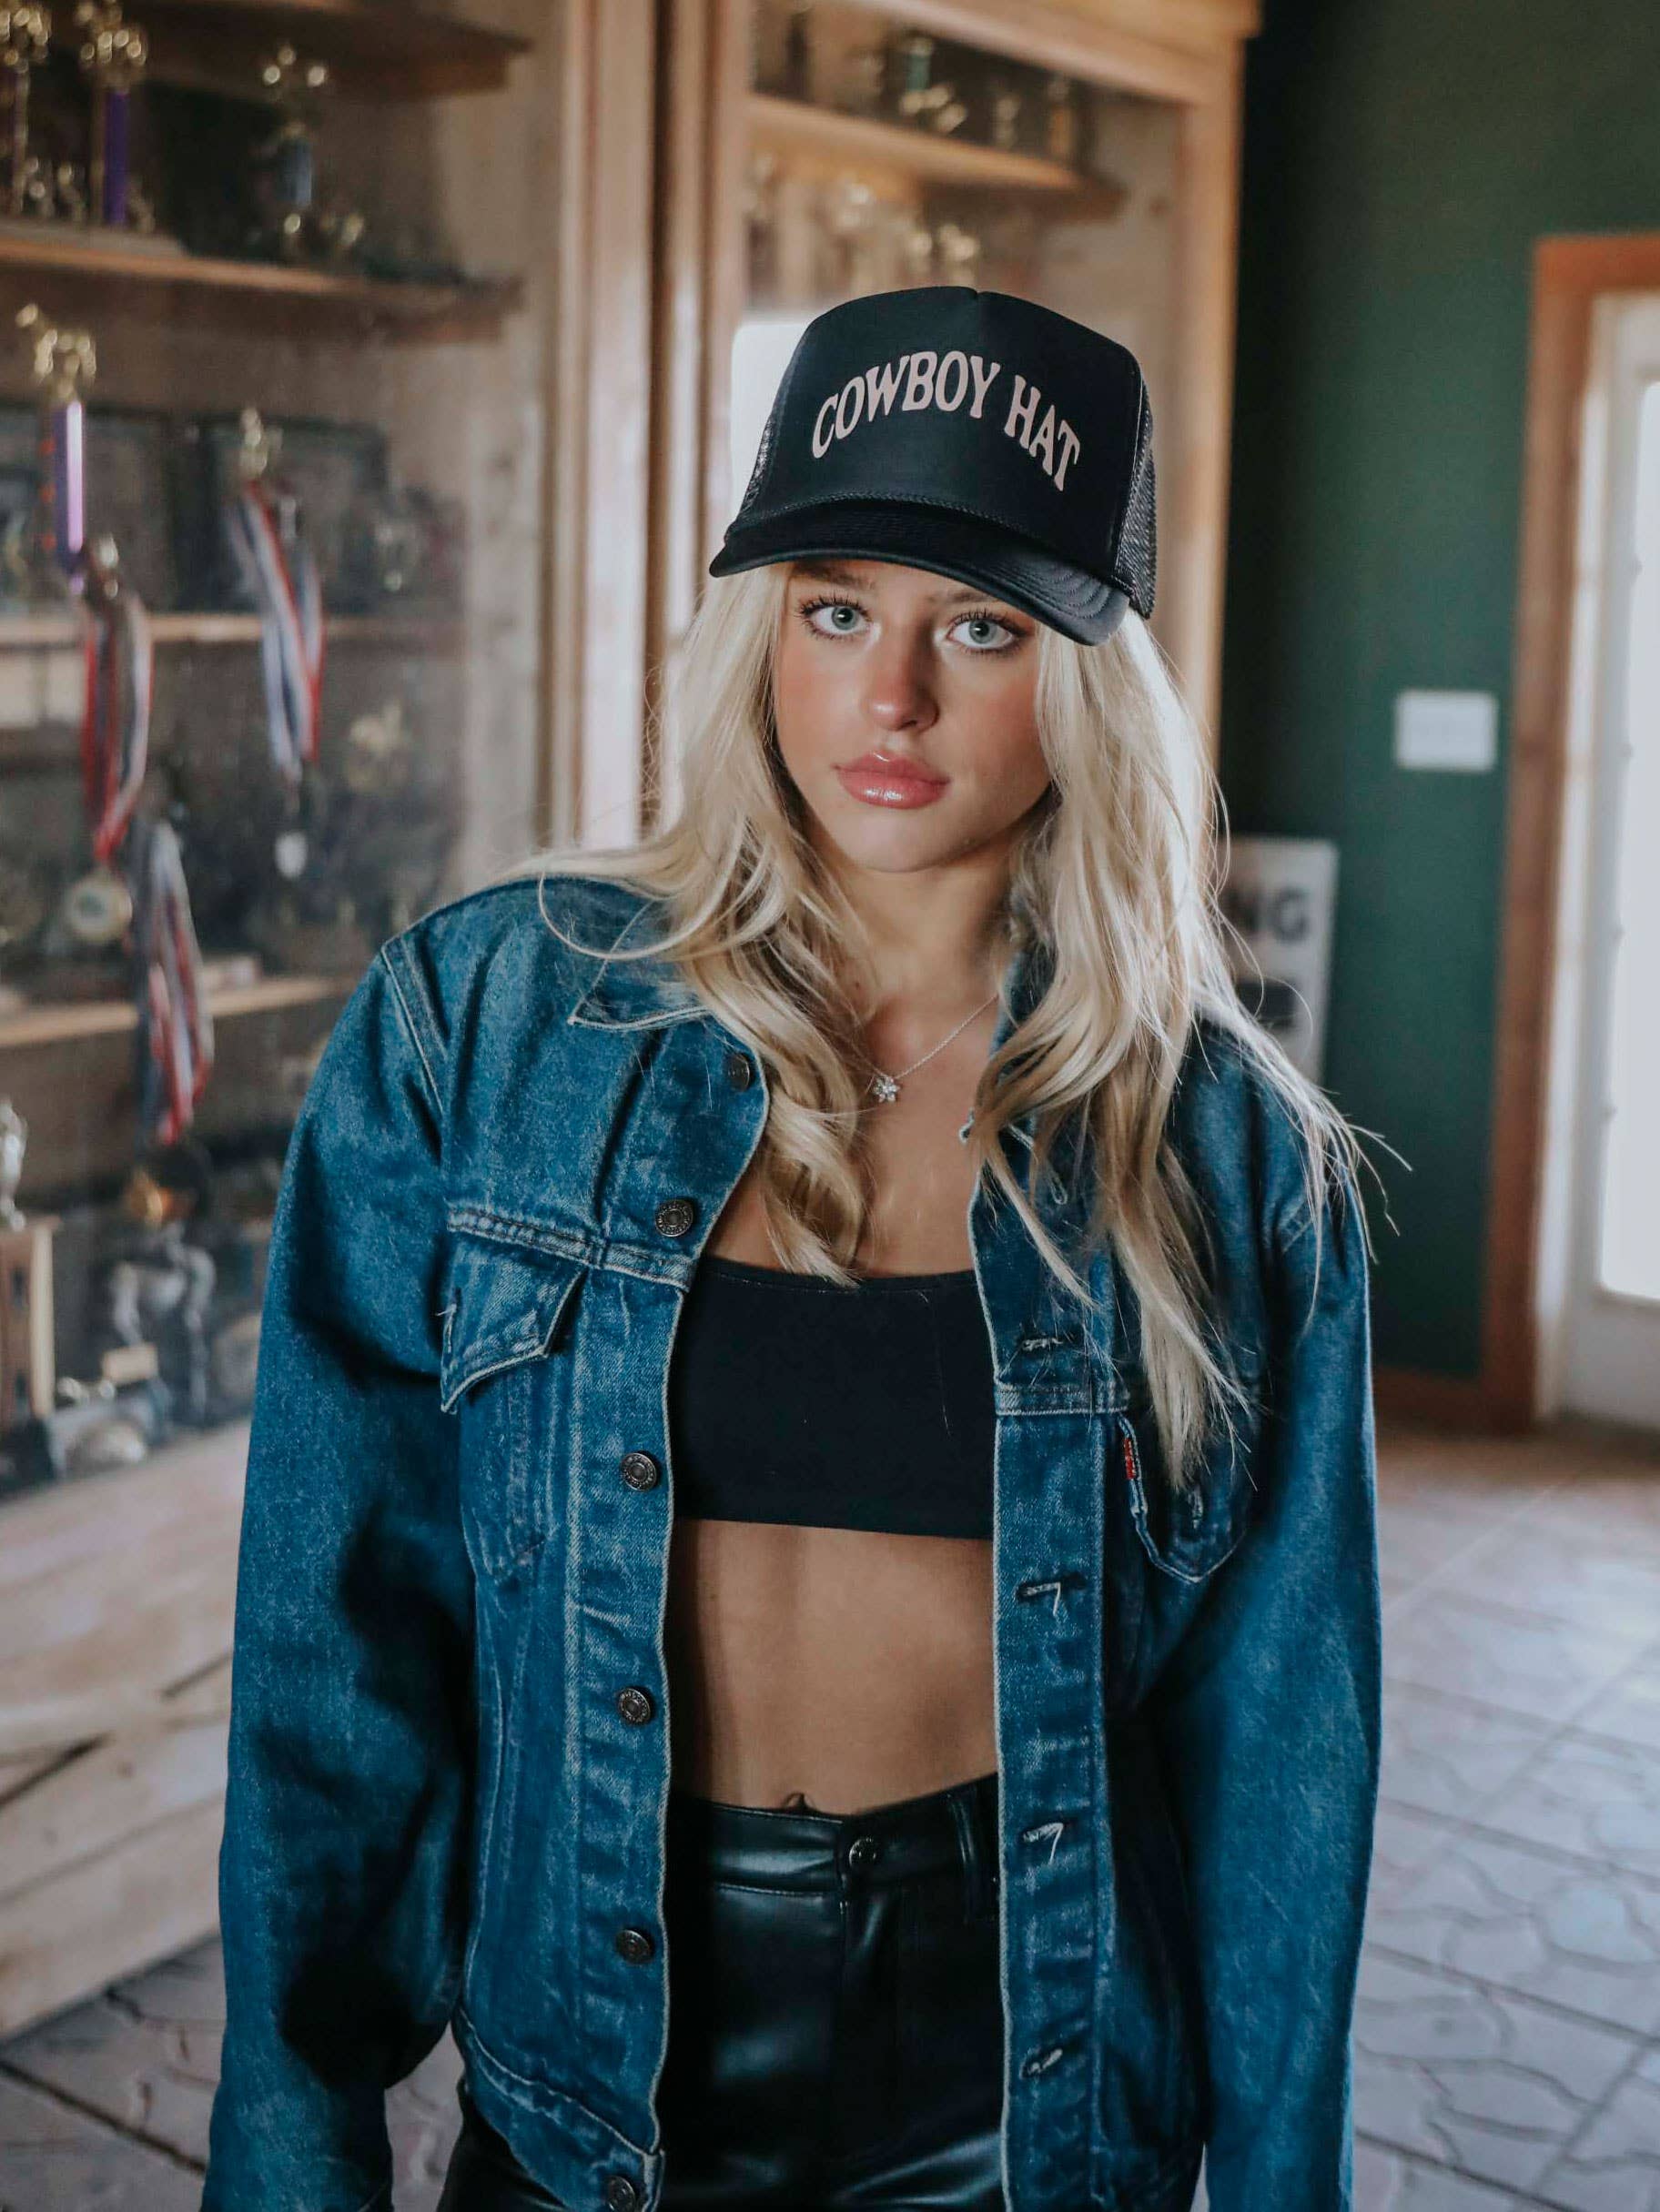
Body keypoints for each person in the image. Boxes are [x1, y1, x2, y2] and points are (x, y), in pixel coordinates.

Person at [201, 287, 1382, 2212]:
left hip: (1028, 2088)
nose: (888, 698)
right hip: (599, 2069)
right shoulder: (485, 1033)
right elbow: (339, 1670)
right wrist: (293, 2151)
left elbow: (1278, 1783)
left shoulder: (1232, 1161)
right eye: (836, 608)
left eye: (977, 628)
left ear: (1084, 673)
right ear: (760, 632)